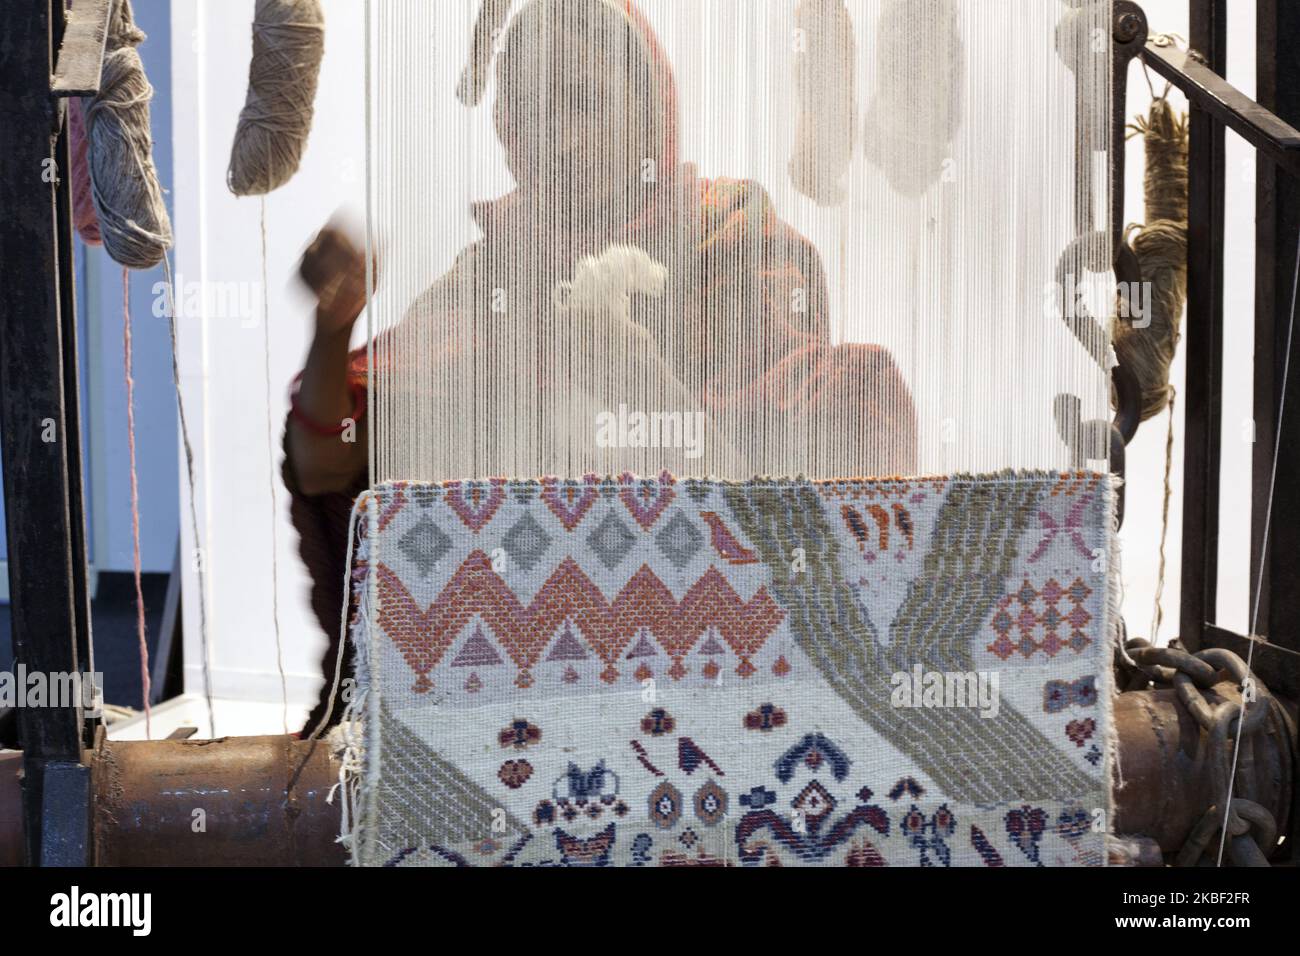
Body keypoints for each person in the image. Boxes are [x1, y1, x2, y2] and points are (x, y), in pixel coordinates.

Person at [285, 0, 917, 733]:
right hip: (526, 688)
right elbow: (330, 466)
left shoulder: (735, 240)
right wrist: (333, 331)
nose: (562, 141)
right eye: (534, 116)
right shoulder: (496, 275)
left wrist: (641, 384)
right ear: (507, 136)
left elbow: (787, 509)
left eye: (583, 103)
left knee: (861, 386)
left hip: (725, 684)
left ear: (648, 106)